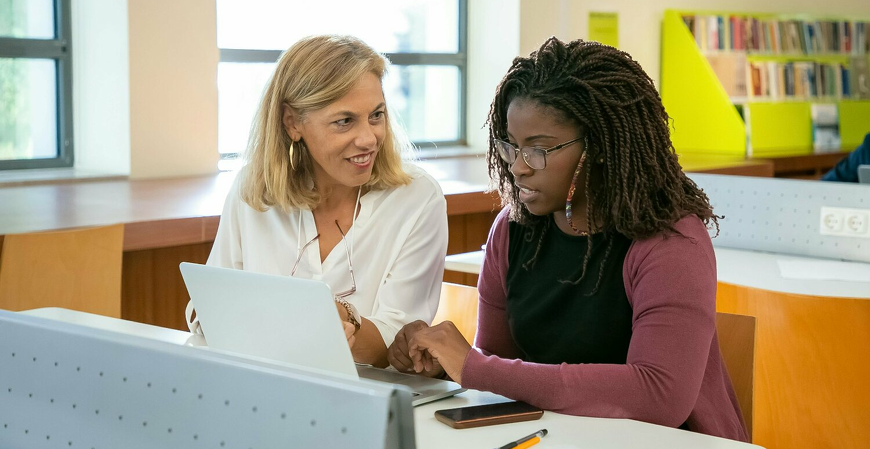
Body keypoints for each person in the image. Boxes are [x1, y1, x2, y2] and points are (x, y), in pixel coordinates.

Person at [387, 37, 749, 441]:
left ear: (600, 147)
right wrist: (444, 363)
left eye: (538, 150)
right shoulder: (512, 230)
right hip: (557, 436)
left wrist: (474, 367)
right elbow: (500, 368)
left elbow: (660, 396)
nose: (518, 168)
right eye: (511, 146)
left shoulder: (669, 241)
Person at [187, 35, 448, 367]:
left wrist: (345, 322)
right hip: (263, 388)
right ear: (292, 122)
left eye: (377, 115)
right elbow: (208, 311)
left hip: (366, 396)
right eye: (344, 121)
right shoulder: (253, 190)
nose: (369, 138)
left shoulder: (417, 199)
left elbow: (397, 346)